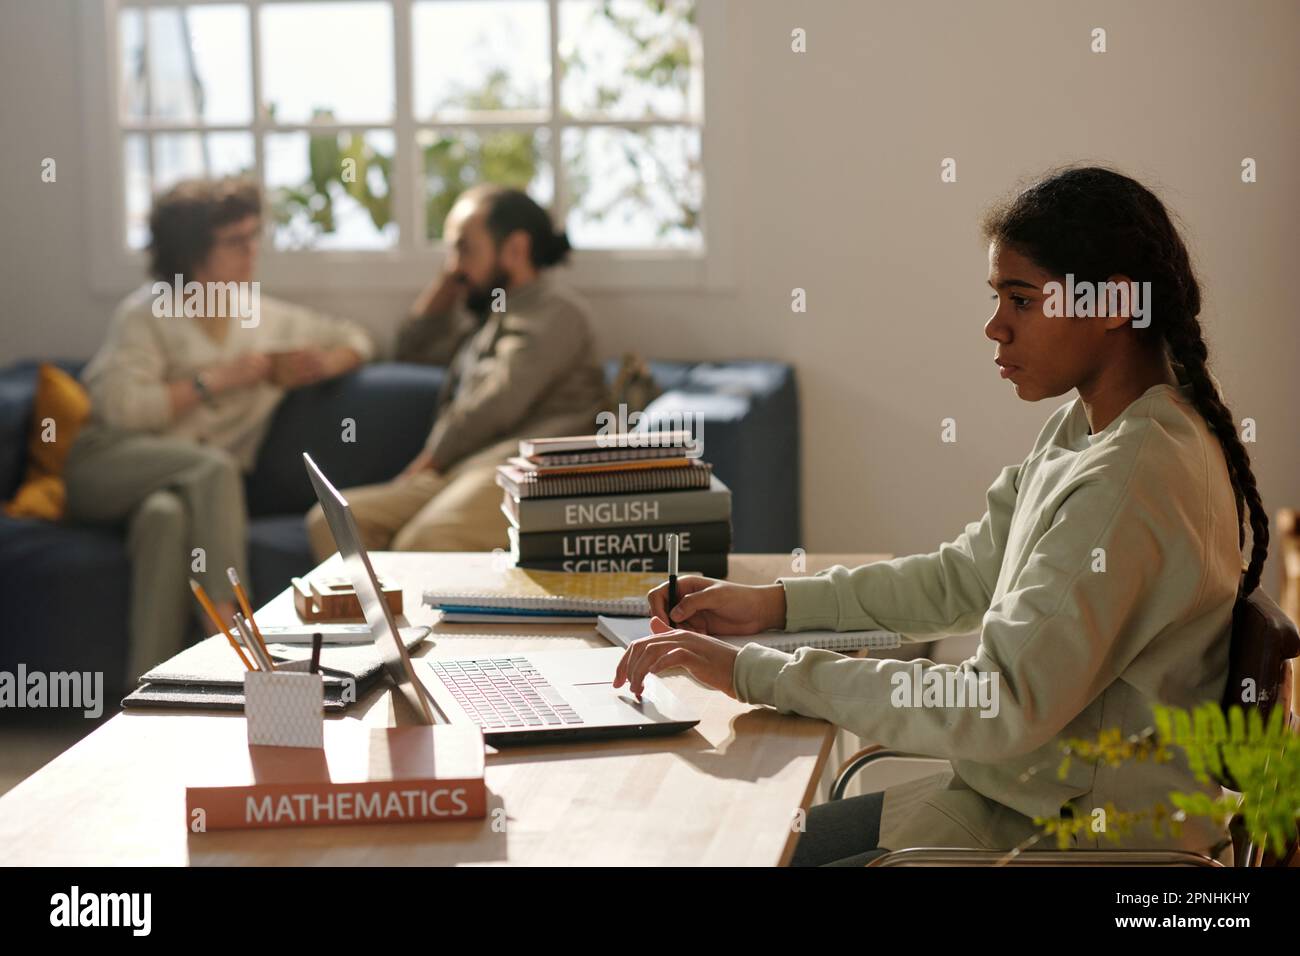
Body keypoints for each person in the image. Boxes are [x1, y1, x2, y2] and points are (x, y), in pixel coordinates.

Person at [615, 166, 1265, 866]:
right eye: (997, 298)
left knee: (739, 849)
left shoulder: (1133, 475)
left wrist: (757, 673)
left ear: (1111, 306)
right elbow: (967, 576)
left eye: (1021, 300)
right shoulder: (1092, 428)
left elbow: (997, 701)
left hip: (1073, 845)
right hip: (1013, 804)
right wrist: (771, 605)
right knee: (745, 841)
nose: (994, 327)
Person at [65, 177, 374, 682]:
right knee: (215, 468)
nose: (253, 252)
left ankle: (146, 692)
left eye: (255, 236)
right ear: (193, 252)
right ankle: (233, 642)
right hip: (107, 465)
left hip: (178, 494)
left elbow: (356, 337)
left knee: (165, 520)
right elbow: (123, 410)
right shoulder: (147, 314)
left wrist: (323, 363)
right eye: (236, 242)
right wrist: (221, 380)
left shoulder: (262, 316)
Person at [306, 185, 606, 558]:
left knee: (425, 542)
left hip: (524, 471)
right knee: (332, 521)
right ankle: (380, 618)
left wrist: (432, 457)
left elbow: (499, 398)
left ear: (515, 249)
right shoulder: (487, 316)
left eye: (464, 249)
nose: (454, 264)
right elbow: (410, 354)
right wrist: (447, 284)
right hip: (463, 470)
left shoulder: (557, 311)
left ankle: (410, 616)